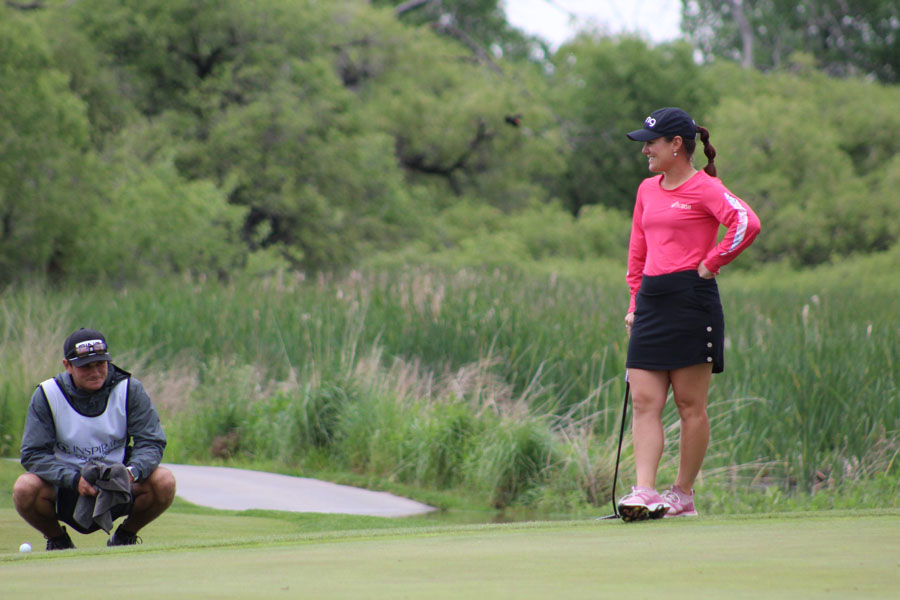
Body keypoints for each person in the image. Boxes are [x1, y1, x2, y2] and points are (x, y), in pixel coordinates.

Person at [617, 107, 761, 522]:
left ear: (676, 145)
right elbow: (637, 253)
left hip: (693, 301)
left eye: (651, 143)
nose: (646, 150)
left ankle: (681, 495)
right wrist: (633, 303)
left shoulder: (705, 188)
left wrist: (712, 262)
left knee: (689, 405)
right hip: (652, 301)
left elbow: (745, 222)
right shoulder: (647, 190)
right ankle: (644, 491)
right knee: (645, 400)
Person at [13, 328, 176, 549]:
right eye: (85, 366)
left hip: (118, 485)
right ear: (67, 366)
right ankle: (58, 541)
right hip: (66, 488)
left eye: (100, 364)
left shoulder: (128, 389)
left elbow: (151, 442)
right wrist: (73, 479)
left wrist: (132, 472)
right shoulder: (47, 395)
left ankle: (125, 537)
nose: (95, 372)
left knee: (164, 482)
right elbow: (33, 454)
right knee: (25, 488)